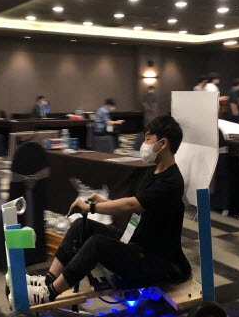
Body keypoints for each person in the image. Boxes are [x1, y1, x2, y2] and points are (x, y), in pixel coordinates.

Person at [26, 115, 192, 305]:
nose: (144, 144)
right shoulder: (152, 172)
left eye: (148, 139)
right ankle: (48, 279)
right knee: (81, 225)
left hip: (154, 261)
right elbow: (140, 205)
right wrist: (103, 202)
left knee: (97, 244)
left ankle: (50, 293)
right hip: (136, 243)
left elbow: (131, 205)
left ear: (163, 143)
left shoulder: (171, 181)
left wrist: (92, 207)